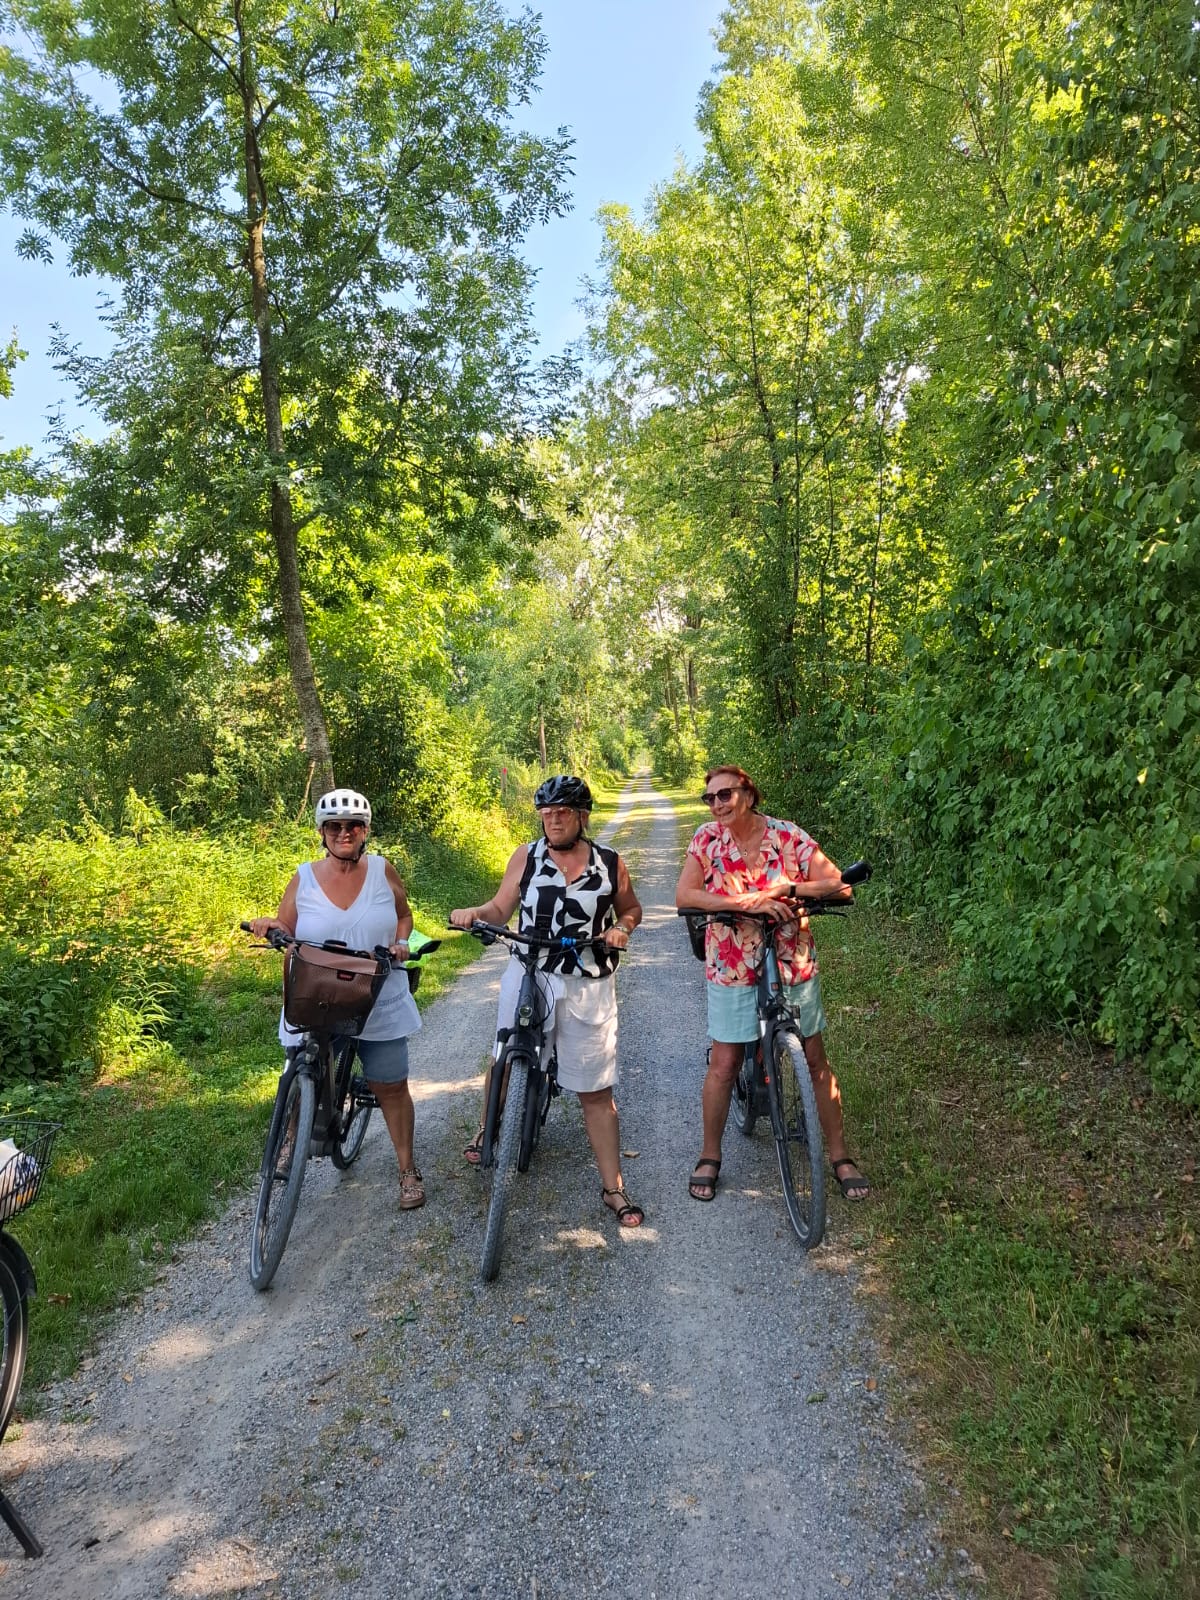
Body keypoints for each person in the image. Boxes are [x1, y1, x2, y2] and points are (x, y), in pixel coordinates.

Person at [449, 775, 646, 1227]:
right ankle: (488, 1128)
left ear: (582, 816)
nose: (553, 819)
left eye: (562, 812)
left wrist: (623, 928)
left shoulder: (609, 862)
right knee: (503, 1058)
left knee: (595, 1091)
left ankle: (613, 1187)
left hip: (587, 983)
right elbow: (500, 908)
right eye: (546, 812)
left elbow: (631, 908)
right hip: (529, 970)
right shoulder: (527, 855)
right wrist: (476, 915)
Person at [675, 764, 869, 1203]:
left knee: (815, 1059)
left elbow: (839, 885)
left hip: (790, 957)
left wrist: (790, 890)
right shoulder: (706, 840)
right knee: (724, 1062)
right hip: (730, 959)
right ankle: (709, 1155)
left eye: (725, 795)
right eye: (710, 798)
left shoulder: (787, 835)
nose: (717, 805)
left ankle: (840, 1156)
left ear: (749, 793)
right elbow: (685, 896)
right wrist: (742, 901)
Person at [249, 788, 427, 1210]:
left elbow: (404, 914)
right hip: (320, 994)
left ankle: (407, 1169)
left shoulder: (384, 871)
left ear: (365, 832)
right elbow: (284, 923)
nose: (344, 833)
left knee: (390, 1084)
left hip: (376, 995)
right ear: (322, 832)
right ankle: (293, 1139)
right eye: (335, 826)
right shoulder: (304, 876)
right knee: (304, 1066)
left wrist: (402, 941)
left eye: (352, 826)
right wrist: (268, 925)